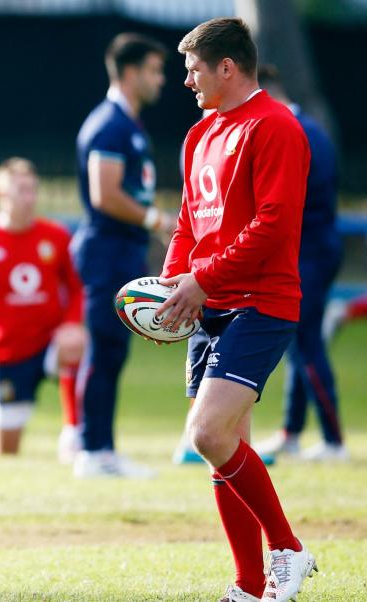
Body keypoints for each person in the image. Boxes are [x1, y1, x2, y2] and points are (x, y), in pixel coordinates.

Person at [159, 18, 317, 602]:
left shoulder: (275, 127)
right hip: (210, 303)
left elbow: (273, 227)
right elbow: (187, 223)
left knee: (206, 432)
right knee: (225, 447)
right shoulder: (199, 134)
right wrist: (170, 287)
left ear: (228, 67)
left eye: (194, 69)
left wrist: (201, 279)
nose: (187, 80)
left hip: (262, 301)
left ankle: (290, 551)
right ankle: (250, 587)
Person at [71, 32, 171, 478]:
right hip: (108, 251)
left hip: (121, 251)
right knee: (105, 350)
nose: (162, 80)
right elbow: (104, 193)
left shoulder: (127, 122)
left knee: (113, 352)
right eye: (154, 70)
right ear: (130, 73)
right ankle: (93, 449)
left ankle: (100, 446)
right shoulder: (110, 124)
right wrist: (154, 220)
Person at [0, 157, 86, 459]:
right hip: (9, 354)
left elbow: (77, 289)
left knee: (79, 344)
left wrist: (72, 323)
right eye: (21, 191)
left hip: (52, 344)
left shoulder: (56, 236)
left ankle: (75, 432)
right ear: (1, 195)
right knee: (5, 451)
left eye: (33, 190)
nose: (30, 198)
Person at [250, 64, 348, 462]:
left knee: (307, 343)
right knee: (297, 344)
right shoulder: (302, 127)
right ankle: (291, 432)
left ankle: (334, 440)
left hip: (311, 252)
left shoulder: (298, 132)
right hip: (311, 249)